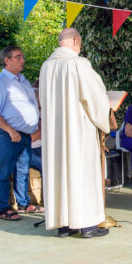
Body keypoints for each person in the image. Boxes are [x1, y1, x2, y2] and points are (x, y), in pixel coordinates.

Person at [40, 28, 112, 239]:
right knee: (82, 173)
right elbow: (95, 97)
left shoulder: (46, 67)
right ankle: (87, 224)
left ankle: (64, 224)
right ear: (74, 40)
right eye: (79, 43)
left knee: (60, 173)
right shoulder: (78, 64)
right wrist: (105, 116)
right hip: (78, 130)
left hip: (55, 132)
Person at [0, 46, 42, 220]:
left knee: (22, 170)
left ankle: (23, 203)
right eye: (18, 57)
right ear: (7, 60)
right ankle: (4, 208)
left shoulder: (23, 81)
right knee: (4, 172)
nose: (22, 60)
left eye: (22, 56)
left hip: (25, 135)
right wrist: (10, 130)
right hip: (8, 134)